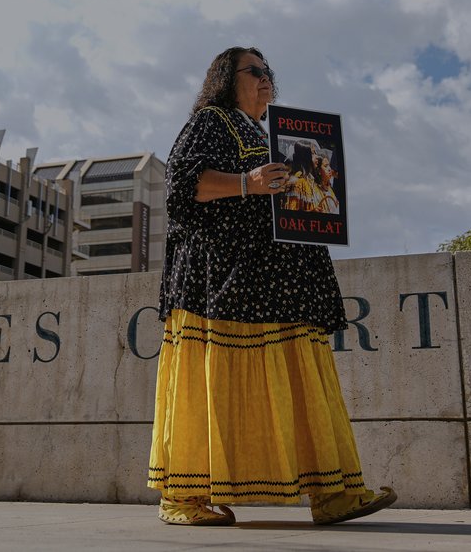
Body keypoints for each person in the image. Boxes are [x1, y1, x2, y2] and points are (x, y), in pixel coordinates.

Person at [146, 46, 396, 527]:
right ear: (225, 78)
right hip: (221, 281)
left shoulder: (269, 133)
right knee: (213, 385)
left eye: (269, 72)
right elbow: (182, 185)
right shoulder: (212, 121)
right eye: (254, 71)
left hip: (280, 280)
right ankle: (182, 497)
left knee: (303, 382)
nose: (265, 79)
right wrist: (249, 182)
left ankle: (333, 494)